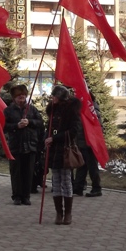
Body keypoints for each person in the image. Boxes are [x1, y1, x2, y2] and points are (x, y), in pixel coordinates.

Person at [44, 85, 81, 225]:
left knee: (66, 181)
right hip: (53, 151)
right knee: (56, 181)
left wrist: (55, 138)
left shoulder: (71, 112)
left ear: (60, 97)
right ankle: (59, 213)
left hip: (65, 150)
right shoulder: (52, 110)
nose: (52, 98)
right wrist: (46, 138)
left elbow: (73, 131)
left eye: (54, 96)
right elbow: (48, 129)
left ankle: (68, 214)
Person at [3, 84, 43, 206]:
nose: (21, 98)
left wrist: (29, 122)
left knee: (28, 172)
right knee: (16, 173)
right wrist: (16, 126)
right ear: (14, 98)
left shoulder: (31, 109)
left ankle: (26, 196)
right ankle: (17, 196)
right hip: (16, 146)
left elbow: (40, 123)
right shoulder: (8, 111)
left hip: (30, 145)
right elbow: (3, 127)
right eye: (19, 96)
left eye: (23, 96)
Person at [74, 92, 103, 198]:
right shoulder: (82, 110)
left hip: (90, 143)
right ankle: (78, 188)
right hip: (82, 142)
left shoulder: (92, 110)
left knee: (92, 167)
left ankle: (96, 188)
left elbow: (96, 127)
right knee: (81, 166)